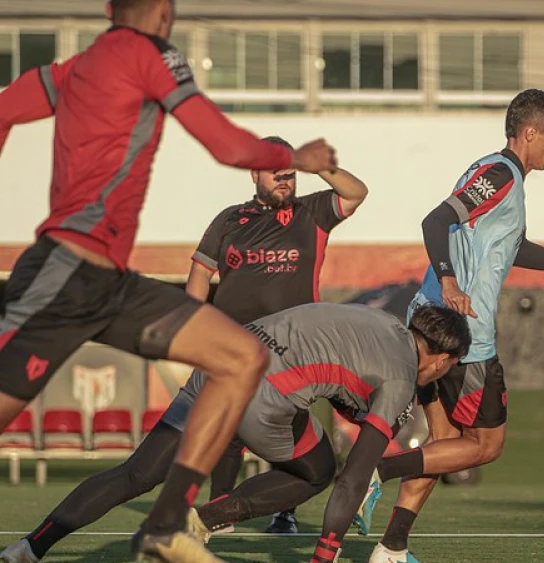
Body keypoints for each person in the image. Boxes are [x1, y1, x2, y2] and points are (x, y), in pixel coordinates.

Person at [0, 0, 337, 561]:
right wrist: (288, 155)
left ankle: (166, 526)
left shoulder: (76, 68)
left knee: (240, 357)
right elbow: (226, 145)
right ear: (163, 10)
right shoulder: (150, 52)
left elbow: (5, 106)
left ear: (109, 8)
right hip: (63, 274)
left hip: (112, 284)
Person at [355, 88, 544, 563]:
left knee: (444, 444)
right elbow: (435, 221)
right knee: (485, 445)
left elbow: (513, 248)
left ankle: (392, 548)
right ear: (530, 133)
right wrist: (448, 280)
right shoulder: (500, 174)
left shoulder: (500, 178)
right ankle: (376, 470)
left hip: (431, 324)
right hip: (463, 335)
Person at [0, 303, 471, 563]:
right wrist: (325, 554)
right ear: (443, 358)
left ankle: (29, 547)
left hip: (223, 356)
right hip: (260, 395)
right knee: (319, 469)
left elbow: (328, 361)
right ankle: (201, 519)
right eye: (449, 368)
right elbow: (354, 478)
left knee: (136, 474)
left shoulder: (382, 320)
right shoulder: (401, 377)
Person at [185, 134, 368, 535]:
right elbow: (200, 272)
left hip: (294, 348)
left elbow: (356, 193)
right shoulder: (229, 219)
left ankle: (284, 511)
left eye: (290, 173)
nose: (284, 180)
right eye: (275, 173)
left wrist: (318, 166)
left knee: (287, 424)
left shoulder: (312, 212)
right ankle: (220, 508)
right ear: (254, 174)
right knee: (231, 420)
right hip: (236, 344)